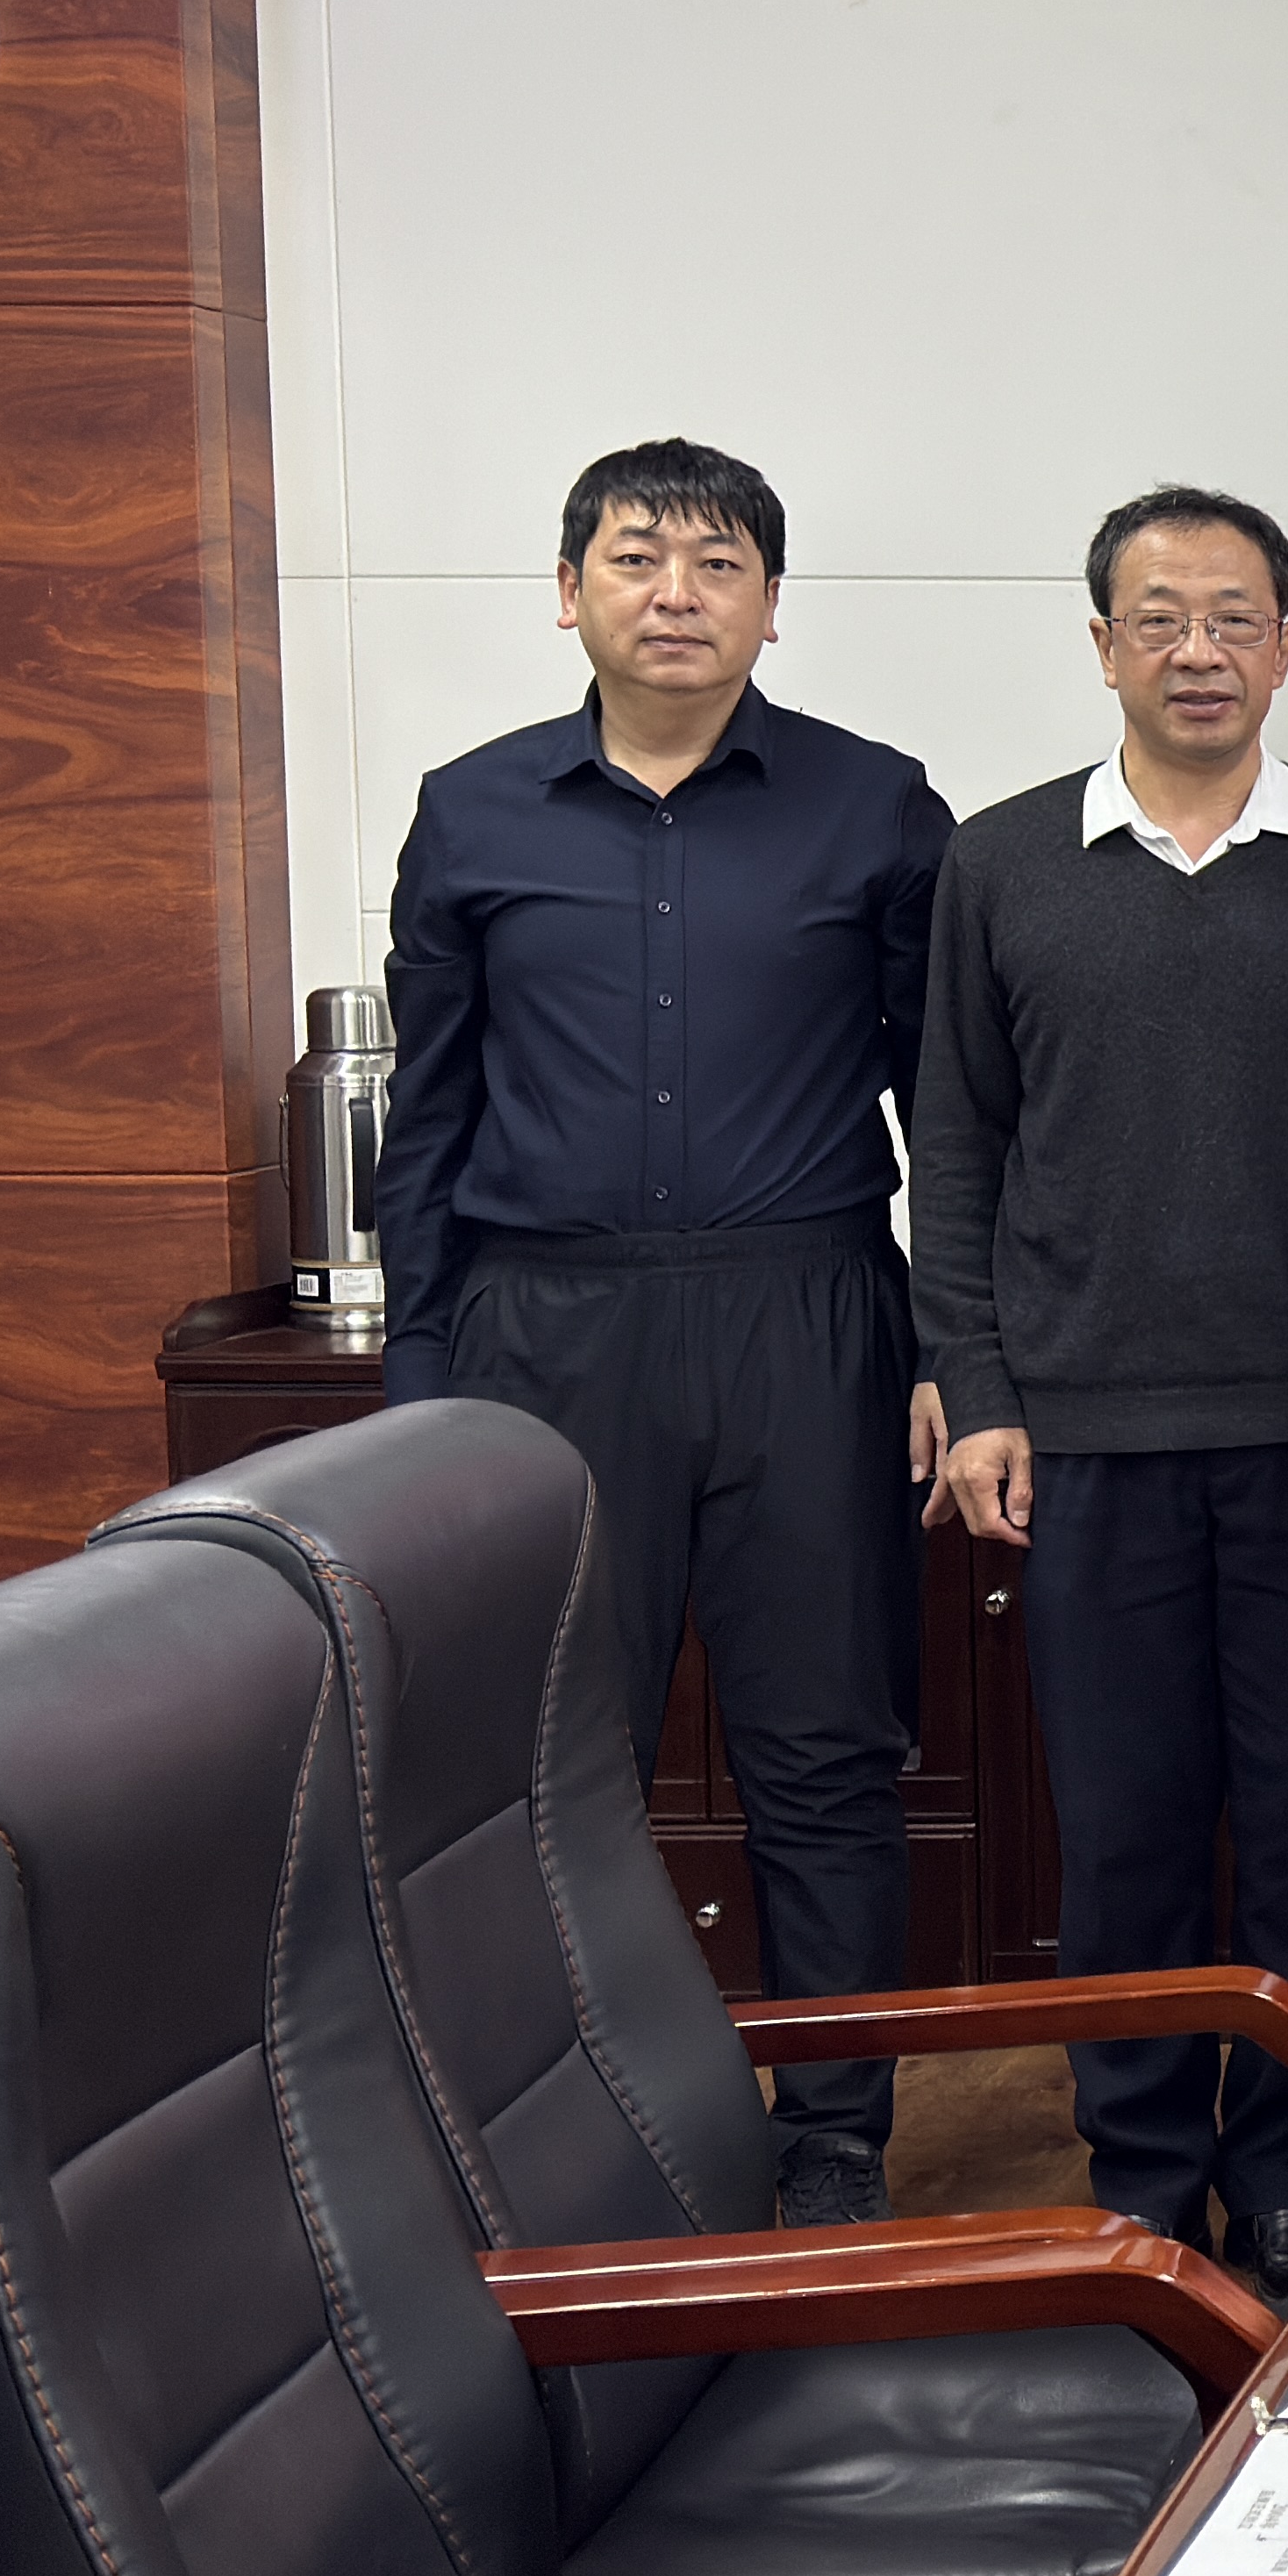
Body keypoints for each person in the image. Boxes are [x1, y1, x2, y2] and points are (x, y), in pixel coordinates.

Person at [376, 439, 949, 2225]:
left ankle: (834, 2128)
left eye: (718, 563)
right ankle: (569, 2132)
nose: (677, 593)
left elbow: (950, 1108)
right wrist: (420, 1386)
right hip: (544, 1329)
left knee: (825, 1744)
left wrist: (957, 1347)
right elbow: (429, 1118)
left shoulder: (878, 807)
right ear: (570, 594)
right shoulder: (472, 811)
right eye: (637, 557)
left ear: (772, 604)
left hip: (808, 1313)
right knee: (553, 1758)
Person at [912, 487, 1288, 2311]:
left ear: (1283, 644)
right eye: (1159, 617)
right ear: (1103, 642)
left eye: (1233, 617)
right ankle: (1139, 2175)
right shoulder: (1001, 861)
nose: (1197, 650)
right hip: (1086, 1439)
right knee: (1123, 1838)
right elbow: (955, 1145)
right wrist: (977, 1386)